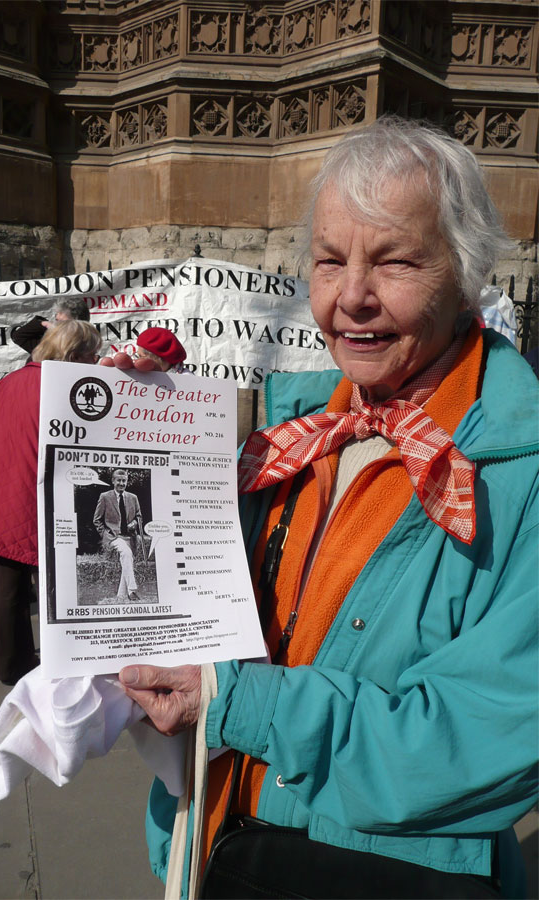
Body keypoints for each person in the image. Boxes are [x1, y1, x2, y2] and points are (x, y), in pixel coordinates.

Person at [114, 117, 538, 898]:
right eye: (330, 261)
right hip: (215, 851)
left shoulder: (523, 473)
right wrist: (129, 444)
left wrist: (238, 702)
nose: (352, 298)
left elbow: (487, 735)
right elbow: (196, 624)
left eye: (396, 261)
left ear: (465, 273)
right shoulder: (289, 438)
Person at [0, 320, 102, 685]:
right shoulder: (63, 386)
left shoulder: (11, 381)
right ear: (73, 355)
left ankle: (11, 665)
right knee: (57, 584)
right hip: (31, 494)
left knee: (10, 586)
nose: (97, 363)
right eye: (92, 356)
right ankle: (57, 660)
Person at [92, 469, 146, 602]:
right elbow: (96, 520)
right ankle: (132, 590)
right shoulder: (104, 497)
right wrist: (105, 534)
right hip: (113, 537)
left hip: (130, 537)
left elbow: (139, 517)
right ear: (113, 481)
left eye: (124, 481)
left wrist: (134, 523)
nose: (122, 483)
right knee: (126, 554)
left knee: (127, 561)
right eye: (119, 481)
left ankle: (121, 597)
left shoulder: (133, 498)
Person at [11, 297, 90, 354]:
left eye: (63, 323)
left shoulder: (85, 347)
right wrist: (44, 324)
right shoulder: (48, 341)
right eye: (57, 320)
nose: (58, 325)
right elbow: (18, 336)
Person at [99, 326, 187, 373]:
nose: (136, 360)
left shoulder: (185, 380)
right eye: (137, 355)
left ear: (159, 359)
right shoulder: (138, 374)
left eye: (140, 356)